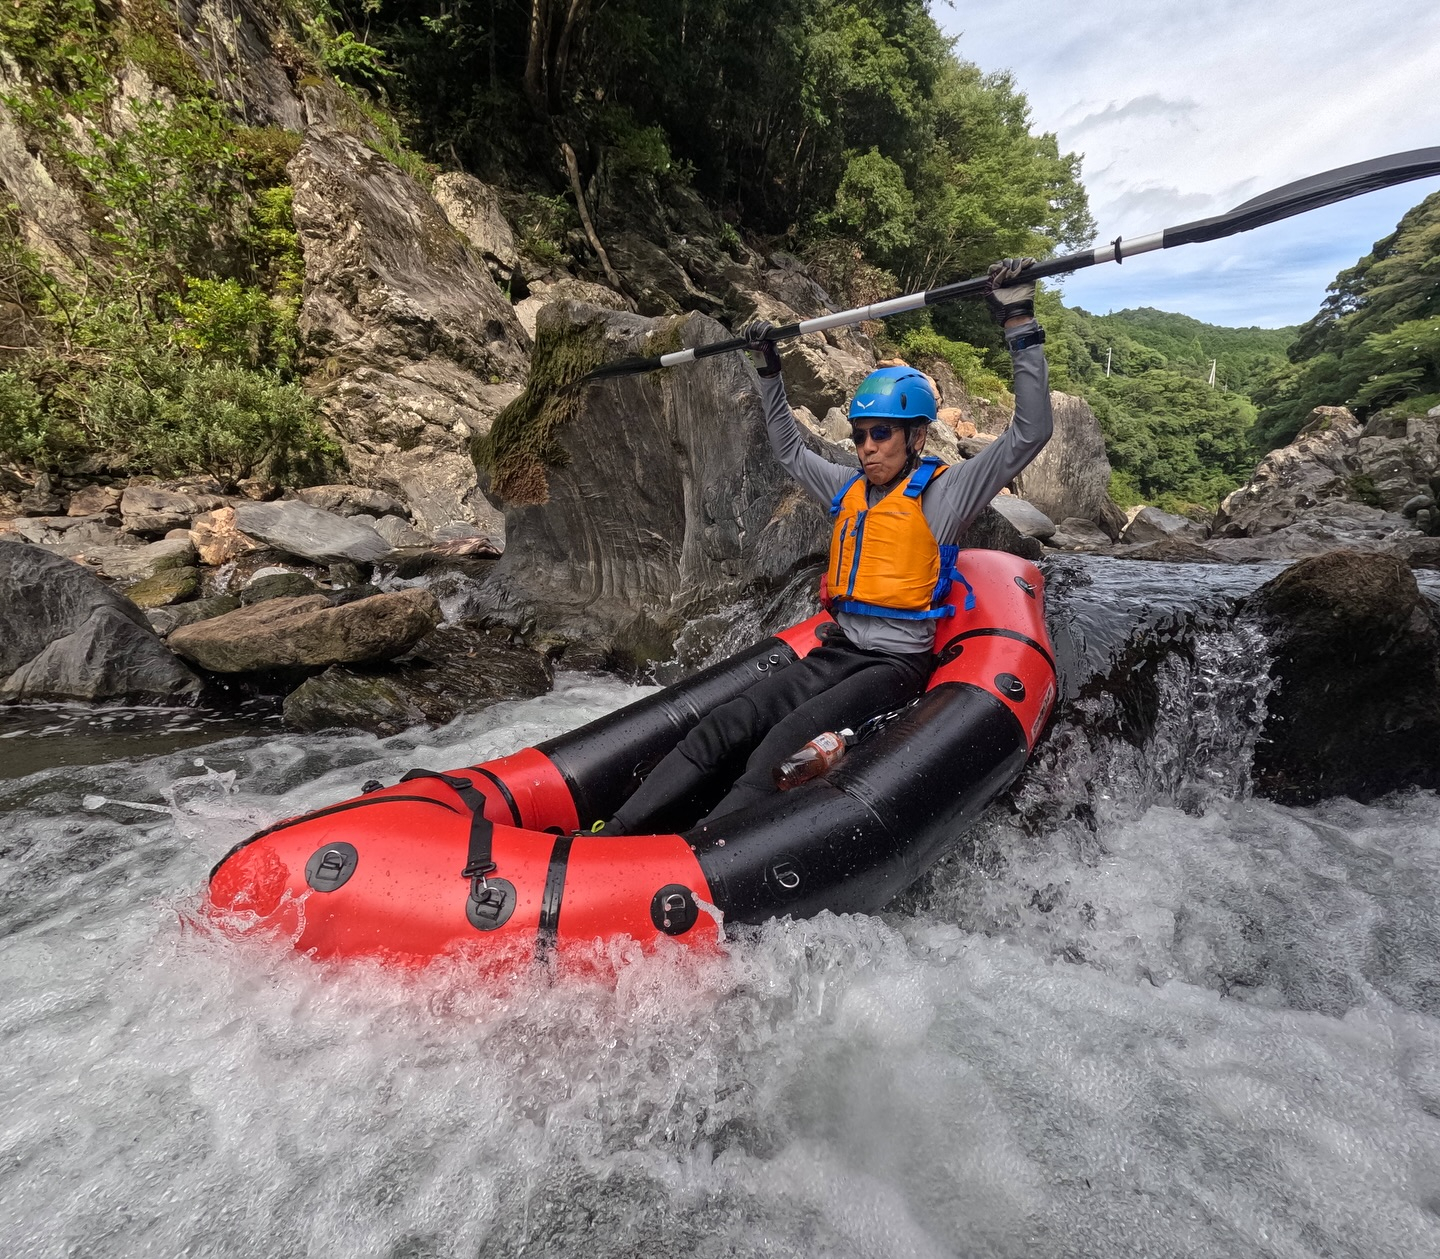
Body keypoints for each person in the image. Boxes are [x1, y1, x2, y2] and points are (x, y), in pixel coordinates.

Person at [593, 258, 1054, 835]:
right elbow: (788, 452)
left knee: (779, 752)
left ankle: (692, 861)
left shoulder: (949, 494)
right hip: (836, 650)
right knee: (724, 725)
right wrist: (768, 373)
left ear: (915, 436)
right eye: (860, 435)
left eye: (880, 434)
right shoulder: (847, 488)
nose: (866, 447)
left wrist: (1017, 318)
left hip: (895, 666)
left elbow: (1031, 432)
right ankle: (613, 836)